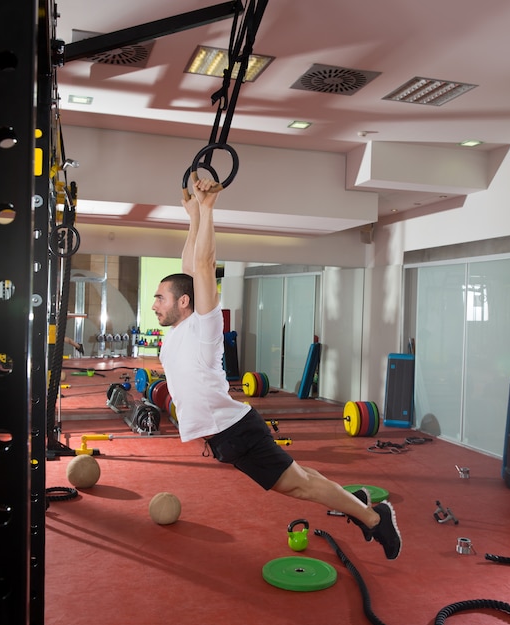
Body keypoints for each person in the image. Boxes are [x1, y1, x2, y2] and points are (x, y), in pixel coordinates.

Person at [152, 178, 402, 560]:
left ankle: (373, 518)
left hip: (233, 431)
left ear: (183, 302)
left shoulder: (203, 325)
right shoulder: (183, 328)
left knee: (300, 487)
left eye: (159, 297)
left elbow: (201, 265)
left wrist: (210, 209)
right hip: (227, 433)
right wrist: (193, 215)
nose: (155, 304)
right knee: (304, 479)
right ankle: (356, 501)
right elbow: (190, 267)